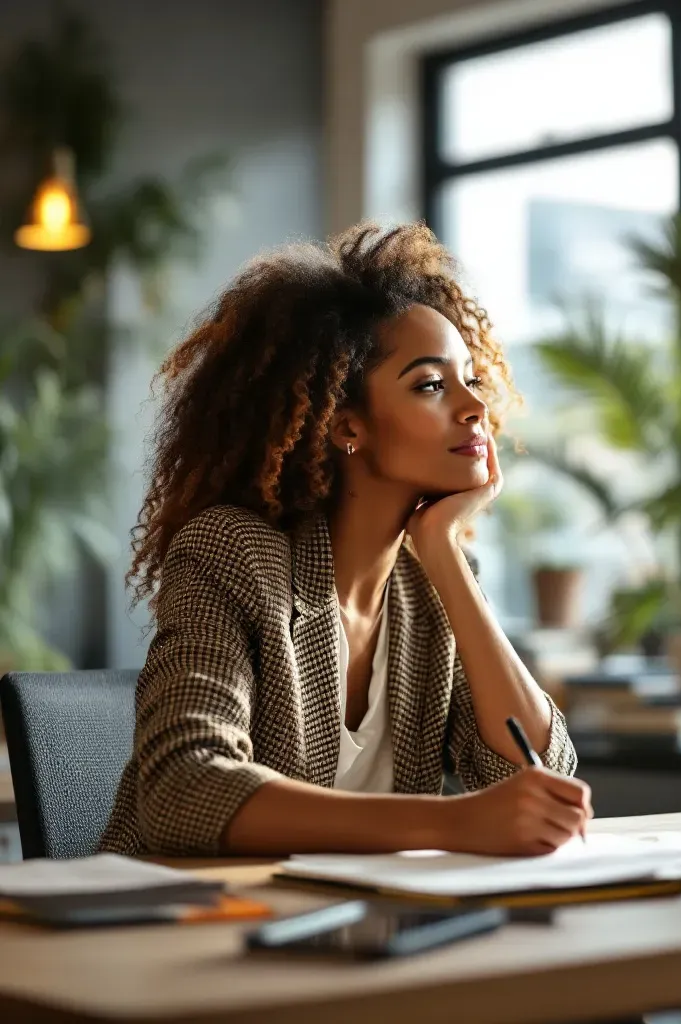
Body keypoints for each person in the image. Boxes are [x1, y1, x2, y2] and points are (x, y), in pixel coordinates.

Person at [100, 223, 590, 858]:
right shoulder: (234, 553)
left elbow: (536, 775)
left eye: (470, 378)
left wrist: (443, 554)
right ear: (345, 425)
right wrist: (450, 824)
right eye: (431, 385)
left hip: (350, 926)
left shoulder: (431, 580)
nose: (474, 407)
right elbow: (185, 787)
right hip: (178, 925)